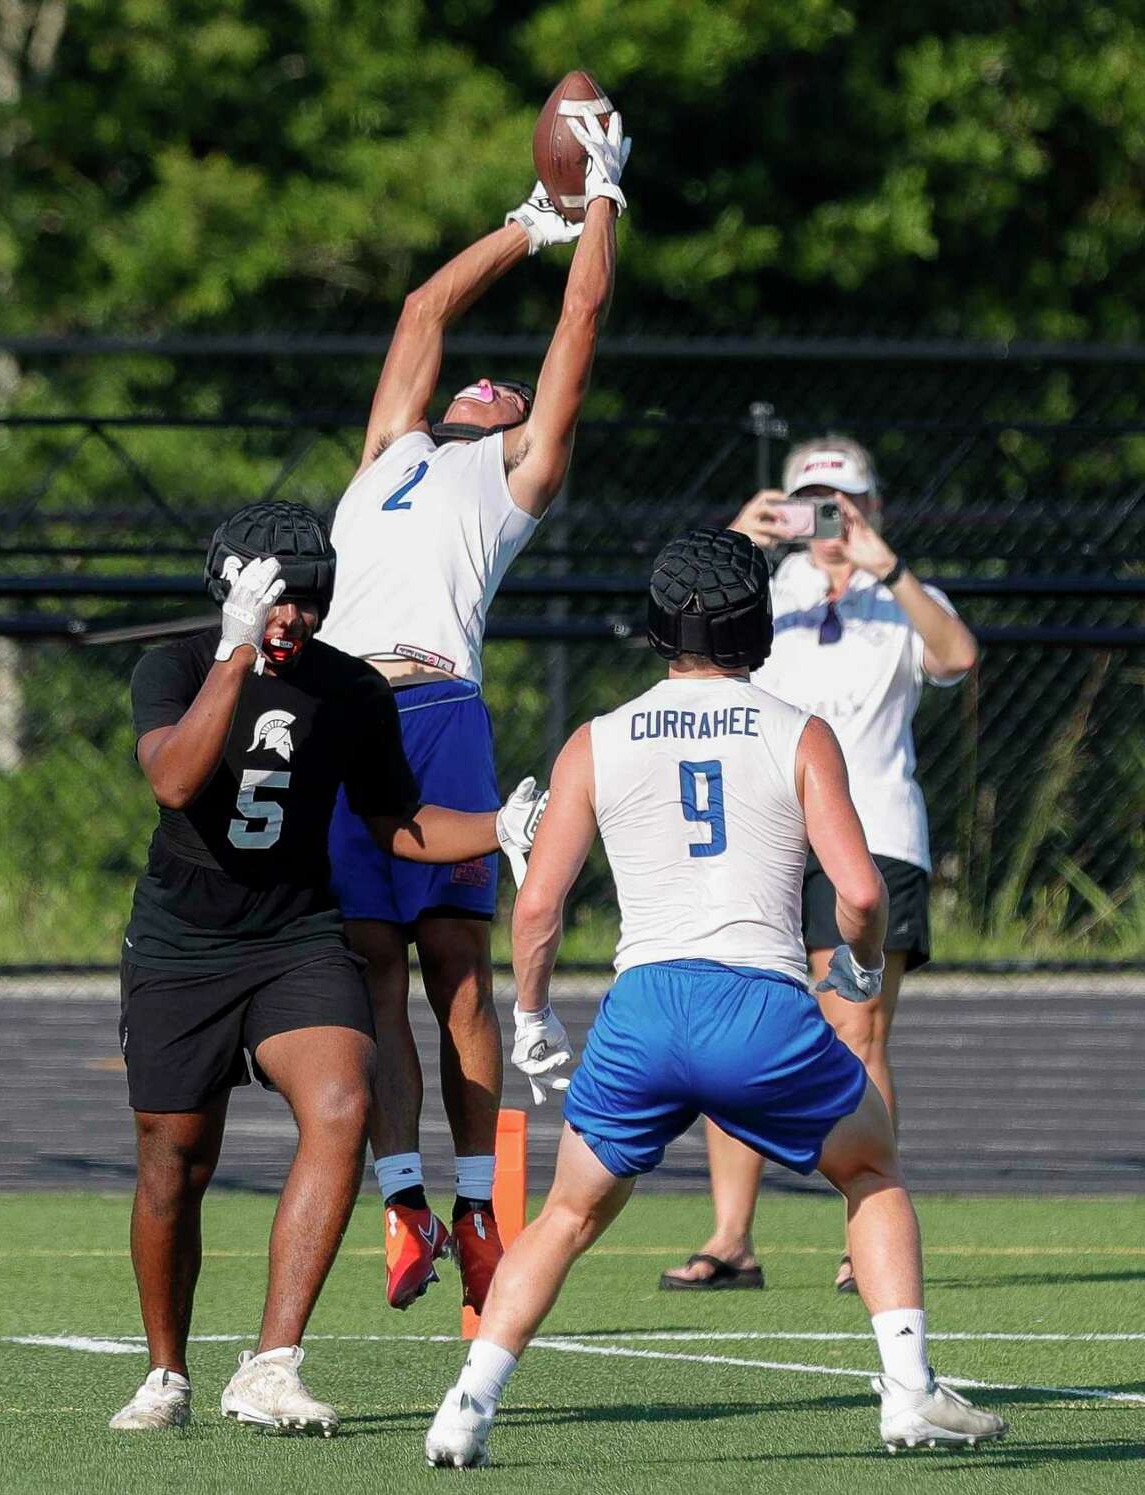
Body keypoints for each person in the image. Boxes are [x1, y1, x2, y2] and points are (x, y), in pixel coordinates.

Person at [424, 527, 1006, 1468]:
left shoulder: (596, 739)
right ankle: (908, 1391)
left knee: (567, 1215)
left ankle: (465, 1406)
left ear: (659, 629)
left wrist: (531, 1016)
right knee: (871, 1168)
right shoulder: (799, 730)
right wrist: (856, 969)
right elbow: (859, 894)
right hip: (760, 1009)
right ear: (760, 628)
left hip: (644, 1008)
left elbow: (535, 906)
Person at [109, 501, 542, 1435]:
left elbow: (401, 824)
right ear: (227, 589)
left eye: (306, 599)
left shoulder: (350, 690)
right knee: (173, 1158)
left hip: (296, 932)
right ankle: (166, 1372)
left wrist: (499, 829)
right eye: (272, 596)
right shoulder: (174, 665)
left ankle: (271, 1363)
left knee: (345, 1099)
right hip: (184, 940)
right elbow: (175, 781)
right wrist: (233, 657)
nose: (290, 616)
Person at [316, 108, 630, 1315]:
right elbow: (419, 315)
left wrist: (602, 196)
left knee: (457, 971)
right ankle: (403, 1208)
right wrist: (525, 224)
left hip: (437, 703)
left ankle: (475, 1211)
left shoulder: (513, 478)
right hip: (346, 706)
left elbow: (580, 323)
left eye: (505, 394)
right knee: (370, 965)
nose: (486, 384)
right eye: (478, 387)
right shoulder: (392, 450)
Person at [661, 436, 978, 1295]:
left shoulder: (900, 596)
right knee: (732, 1023)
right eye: (810, 503)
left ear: (872, 509)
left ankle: (861, 1233)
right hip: (768, 834)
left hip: (873, 837)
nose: (827, 524)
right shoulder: (771, 587)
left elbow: (957, 658)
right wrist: (738, 541)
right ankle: (732, 1236)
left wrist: (891, 568)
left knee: (857, 1030)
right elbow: (682, 638)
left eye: (842, 506)